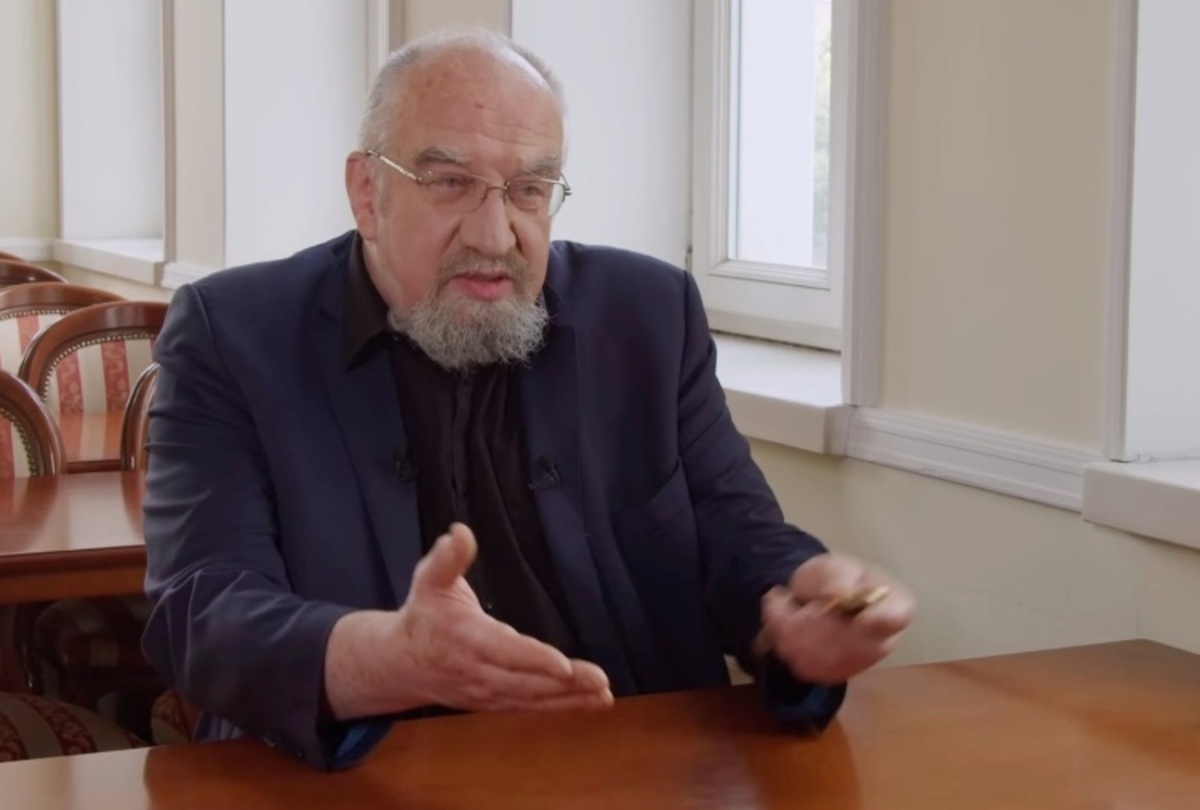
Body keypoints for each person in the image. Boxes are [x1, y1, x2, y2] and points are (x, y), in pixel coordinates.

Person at [141, 29, 914, 770]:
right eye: (451, 183)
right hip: (354, 779)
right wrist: (392, 659)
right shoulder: (233, 333)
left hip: (636, 766)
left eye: (529, 191)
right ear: (367, 193)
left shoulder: (647, 316)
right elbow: (201, 611)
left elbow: (737, 533)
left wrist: (802, 610)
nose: (496, 234)